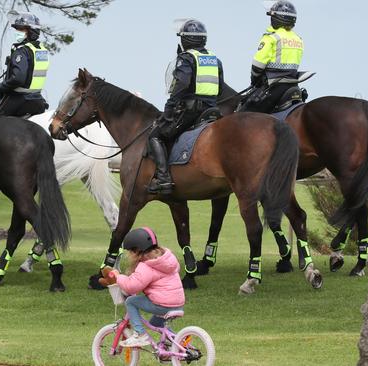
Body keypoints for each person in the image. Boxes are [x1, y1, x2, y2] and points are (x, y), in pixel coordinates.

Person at [148, 19, 224, 194]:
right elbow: (220, 88)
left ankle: (163, 179)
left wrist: (168, 111)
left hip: (191, 111)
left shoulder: (187, 58)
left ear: (185, 40)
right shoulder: (214, 59)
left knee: (156, 136)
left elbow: (181, 86)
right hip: (211, 110)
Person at [100, 227, 185, 348]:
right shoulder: (165, 260)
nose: (129, 255)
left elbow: (132, 286)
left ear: (137, 251)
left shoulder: (146, 266)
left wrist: (118, 277)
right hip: (178, 303)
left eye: (130, 252)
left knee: (131, 302)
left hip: (163, 305)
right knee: (156, 323)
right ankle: (175, 345)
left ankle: (140, 335)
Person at [241, 0, 303, 113]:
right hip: (293, 86)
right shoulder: (298, 39)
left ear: (276, 19)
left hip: (274, 86)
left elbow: (257, 66)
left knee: (243, 116)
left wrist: (254, 81)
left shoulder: (271, 38)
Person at [0, 11, 49, 117]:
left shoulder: (21, 51)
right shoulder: (41, 50)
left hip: (19, 99)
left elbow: (18, 79)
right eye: (17, 29)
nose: (17, 32)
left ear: (31, 31)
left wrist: (1, 87)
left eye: (21, 29)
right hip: (37, 99)